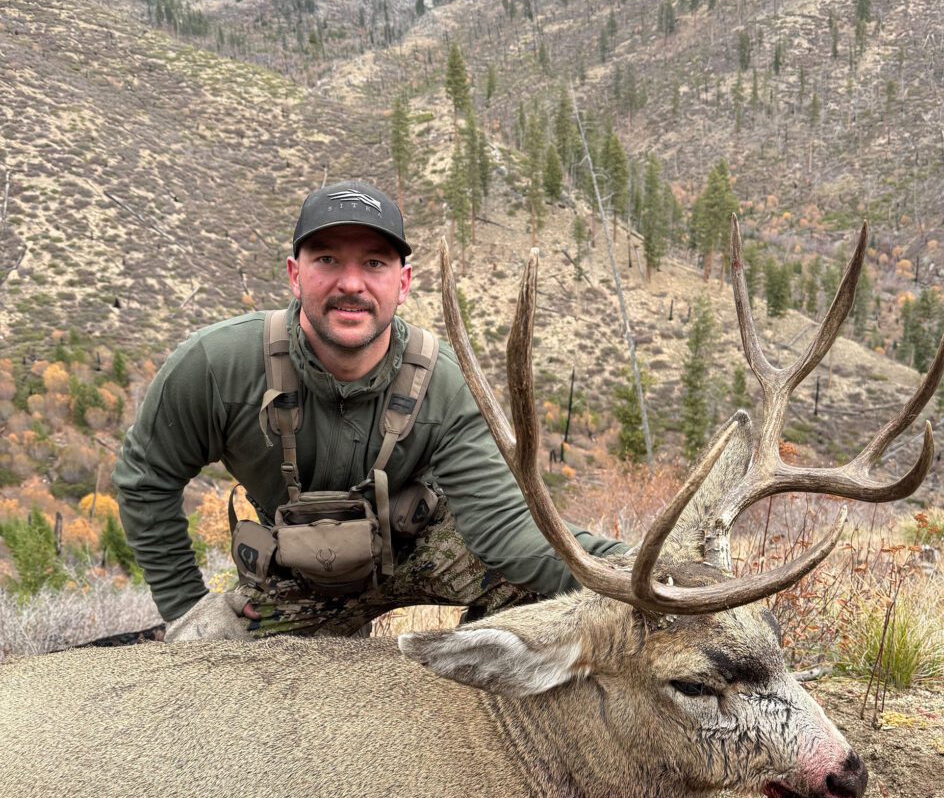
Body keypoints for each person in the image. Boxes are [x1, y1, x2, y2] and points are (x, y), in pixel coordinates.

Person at [113, 181, 628, 641]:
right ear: (296, 275)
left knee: (556, 602)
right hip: (295, 577)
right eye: (328, 260)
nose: (352, 284)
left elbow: (508, 533)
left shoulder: (446, 384)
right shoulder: (216, 365)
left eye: (375, 263)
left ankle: (475, 711)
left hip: (420, 555)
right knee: (211, 664)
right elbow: (145, 479)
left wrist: (636, 568)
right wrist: (186, 605)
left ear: (402, 283)